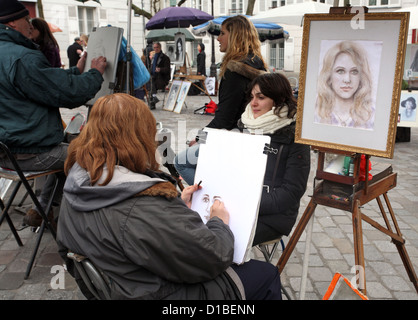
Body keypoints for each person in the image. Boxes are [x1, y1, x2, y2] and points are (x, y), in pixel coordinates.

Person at [56, 93, 282, 300]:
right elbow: (213, 257)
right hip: (160, 294)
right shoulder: (141, 205)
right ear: (136, 138)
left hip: (125, 284)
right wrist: (219, 223)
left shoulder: (79, 182)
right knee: (266, 274)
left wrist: (175, 208)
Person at [0, 0, 107, 228]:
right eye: (26, 19)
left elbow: (42, 80)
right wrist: (95, 74)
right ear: (11, 23)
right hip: (26, 152)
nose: (30, 24)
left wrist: (75, 71)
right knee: (95, 153)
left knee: (65, 149)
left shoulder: (11, 54)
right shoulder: (22, 57)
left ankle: (43, 207)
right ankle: (90, 225)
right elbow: (68, 94)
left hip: (8, 150)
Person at [174, 15, 268, 185]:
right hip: (253, 136)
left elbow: (225, 118)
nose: (218, 38)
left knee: (180, 162)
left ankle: (216, 193)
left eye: (222, 33)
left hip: (235, 138)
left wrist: (200, 137)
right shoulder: (258, 64)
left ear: (235, 36)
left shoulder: (235, 70)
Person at [237, 73, 311, 245]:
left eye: (261, 97)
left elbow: (291, 192)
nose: (253, 103)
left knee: (221, 239)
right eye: (252, 96)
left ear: (277, 101)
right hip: (241, 206)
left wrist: (247, 203)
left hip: (273, 217)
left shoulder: (294, 137)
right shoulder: (246, 124)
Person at [314, 41, 375, 129]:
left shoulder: (371, 116)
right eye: (340, 71)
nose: (347, 80)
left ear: (361, 77)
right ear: (329, 76)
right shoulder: (315, 114)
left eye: (354, 71)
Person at [149, 42, 170, 109]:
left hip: (162, 79)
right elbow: (151, 68)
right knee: (148, 80)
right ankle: (153, 99)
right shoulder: (154, 57)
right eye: (154, 47)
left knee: (151, 82)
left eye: (157, 47)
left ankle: (153, 98)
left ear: (160, 48)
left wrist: (160, 69)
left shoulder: (165, 58)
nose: (155, 49)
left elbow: (167, 69)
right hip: (154, 77)